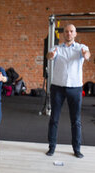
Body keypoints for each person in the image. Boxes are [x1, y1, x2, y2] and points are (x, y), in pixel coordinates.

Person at [46, 24, 90, 158]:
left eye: (71, 31)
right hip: (57, 87)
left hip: (75, 88)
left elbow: (87, 54)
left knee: (75, 120)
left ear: (75, 34)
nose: (69, 34)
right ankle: (52, 147)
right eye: (66, 32)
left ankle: (77, 149)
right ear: (63, 34)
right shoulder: (57, 48)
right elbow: (49, 56)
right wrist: (51, 55)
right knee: (54, 118)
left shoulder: (81, 47)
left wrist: (85, 54)